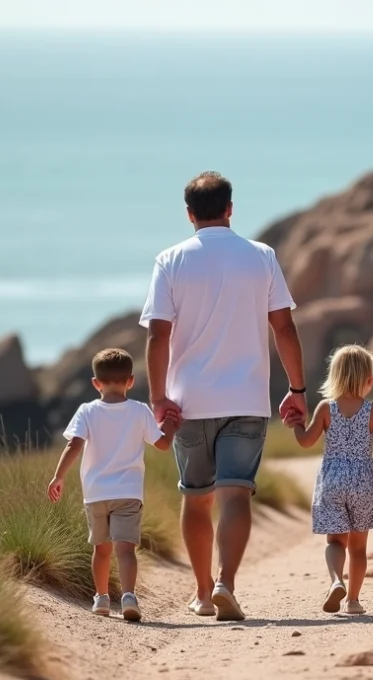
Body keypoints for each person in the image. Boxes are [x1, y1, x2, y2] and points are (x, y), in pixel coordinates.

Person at [141, 171, 307, 621]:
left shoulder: (169, 260)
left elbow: (158, 336)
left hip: (188, 402)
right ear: (230, 208)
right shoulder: (262, 257)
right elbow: (284, 328)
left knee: (196, 499)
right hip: (247, 400)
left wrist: (158, 399)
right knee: (235, 496)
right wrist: (297, 390)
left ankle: (201, 593)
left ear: (190, 214)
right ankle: (226, 583)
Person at [47, 348, 176, 622]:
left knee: (101, 549)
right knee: (126, 549)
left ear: (96, 383)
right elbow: (163, 444)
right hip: (128, 493)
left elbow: (74, 445)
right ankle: (128, 596)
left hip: (96, 494)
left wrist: (58, 476)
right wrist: (172, 427)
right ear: (131, 380)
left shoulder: (87, 411)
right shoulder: (140, 411)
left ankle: (102, 599)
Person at [288, 345, 373, 615]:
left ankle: (335, 581)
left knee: (335, 542)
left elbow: (306, 442)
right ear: (367, 381)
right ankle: (353, 601)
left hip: (333, 479)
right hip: (363, 481)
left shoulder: (326, 408)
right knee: (359, 548)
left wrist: (296, 423)